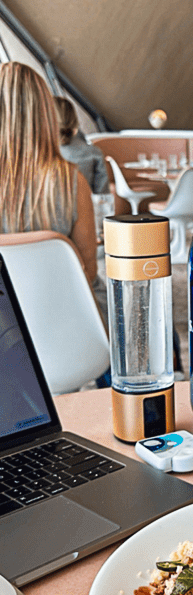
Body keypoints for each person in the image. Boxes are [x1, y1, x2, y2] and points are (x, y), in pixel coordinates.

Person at [0, 63, 110, 384]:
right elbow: (87, 272)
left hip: (7, 343)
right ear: (46, 115)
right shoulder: (73, 184)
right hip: (73, 342)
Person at [56, 97, 110, 194]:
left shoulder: (36, 156)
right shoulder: (94, 153)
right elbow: (102, 196)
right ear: (75, 121)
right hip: (85, 207)